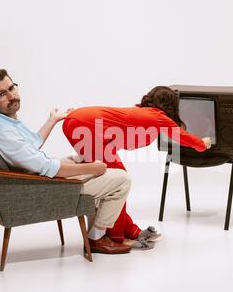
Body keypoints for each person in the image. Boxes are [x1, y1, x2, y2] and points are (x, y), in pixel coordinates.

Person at [0, 68, 132, 254]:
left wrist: (53, 120)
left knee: (85, 158)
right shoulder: (3, 132)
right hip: (37, 186)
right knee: (122, 179)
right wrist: (93, 168)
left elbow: (31, 146)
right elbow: (46, 167)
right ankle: (97, 239)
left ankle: (102, 226)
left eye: (12, 88)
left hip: (31, 174)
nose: (11, 96)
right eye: (2, 94)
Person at [62, 86, 212, 247]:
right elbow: (181, 136)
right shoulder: (158, 116)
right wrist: (201, 143)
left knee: (114, 182)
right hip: (86, 127)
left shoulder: (143, 113)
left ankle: (130, 231)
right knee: (118, 181)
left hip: (77, 122)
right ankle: (113, 237)